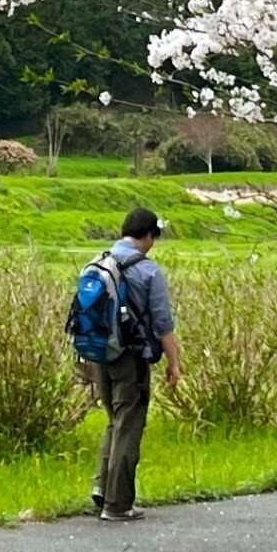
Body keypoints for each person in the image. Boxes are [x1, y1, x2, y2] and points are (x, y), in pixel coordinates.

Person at [87, 205, 180, 521]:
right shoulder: (148, 270)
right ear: (148, 235)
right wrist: (174, 362)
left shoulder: (100, 261)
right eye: (154, 237)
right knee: (130, 425)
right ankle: (118, 505)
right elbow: (163, 323)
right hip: (130, 359)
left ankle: (102, 489)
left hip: (101, 354)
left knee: (115, 419)